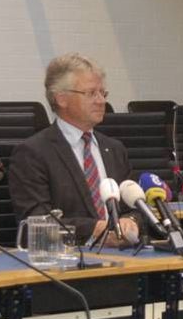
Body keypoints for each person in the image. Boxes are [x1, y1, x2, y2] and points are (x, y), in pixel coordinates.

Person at [10, 53, 140, 246]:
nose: (101, 101)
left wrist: (131, 222)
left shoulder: (114, 149)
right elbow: (37, 221)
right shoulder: (33, 153)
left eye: (102, 93)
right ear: (62, 99)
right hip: (70, 261)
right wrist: (97, 230)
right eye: (91, 93)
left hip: (125, 258)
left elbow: (137, 207)